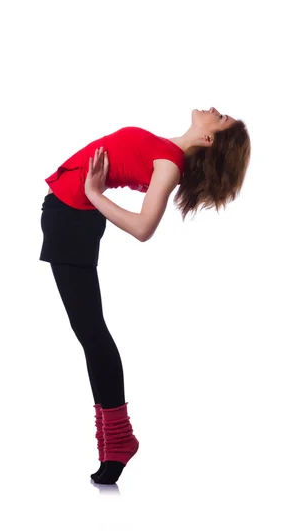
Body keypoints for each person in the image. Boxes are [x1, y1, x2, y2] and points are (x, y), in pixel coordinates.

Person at [39, 107, 251, 484]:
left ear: (208, 139)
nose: (217, 111)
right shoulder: (171, 150)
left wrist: (91, 192)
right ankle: (112, 441)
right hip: (70, 215)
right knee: (91, 334)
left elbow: (143, 228)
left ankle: (118, 440)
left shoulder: (169, 163)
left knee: (92, 334)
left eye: (222, 120)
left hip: (72, 216)